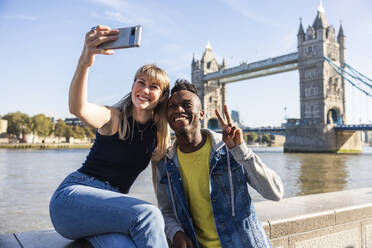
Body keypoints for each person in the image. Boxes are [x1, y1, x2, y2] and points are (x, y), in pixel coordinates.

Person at [49, 25, 170, 248]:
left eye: (154, 87)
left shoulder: (159, 136)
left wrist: (173, 225)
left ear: (162, 97)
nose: (145, 89)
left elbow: (159, 185)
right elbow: (78, 108)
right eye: (140, 82)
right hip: (72, 199)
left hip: (109, 209)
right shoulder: (113, 118)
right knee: (148, 215)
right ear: (132, 86)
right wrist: (85, 61)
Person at [155, 80, 284, 248]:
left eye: (186, 105)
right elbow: (166, 211)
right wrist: (175, 232)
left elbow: (275, 192)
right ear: (167, 115)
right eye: (172, 106)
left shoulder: (230, 150)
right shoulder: (165, 163)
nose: (179, 110)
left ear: (202, 114)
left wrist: (241, 151)